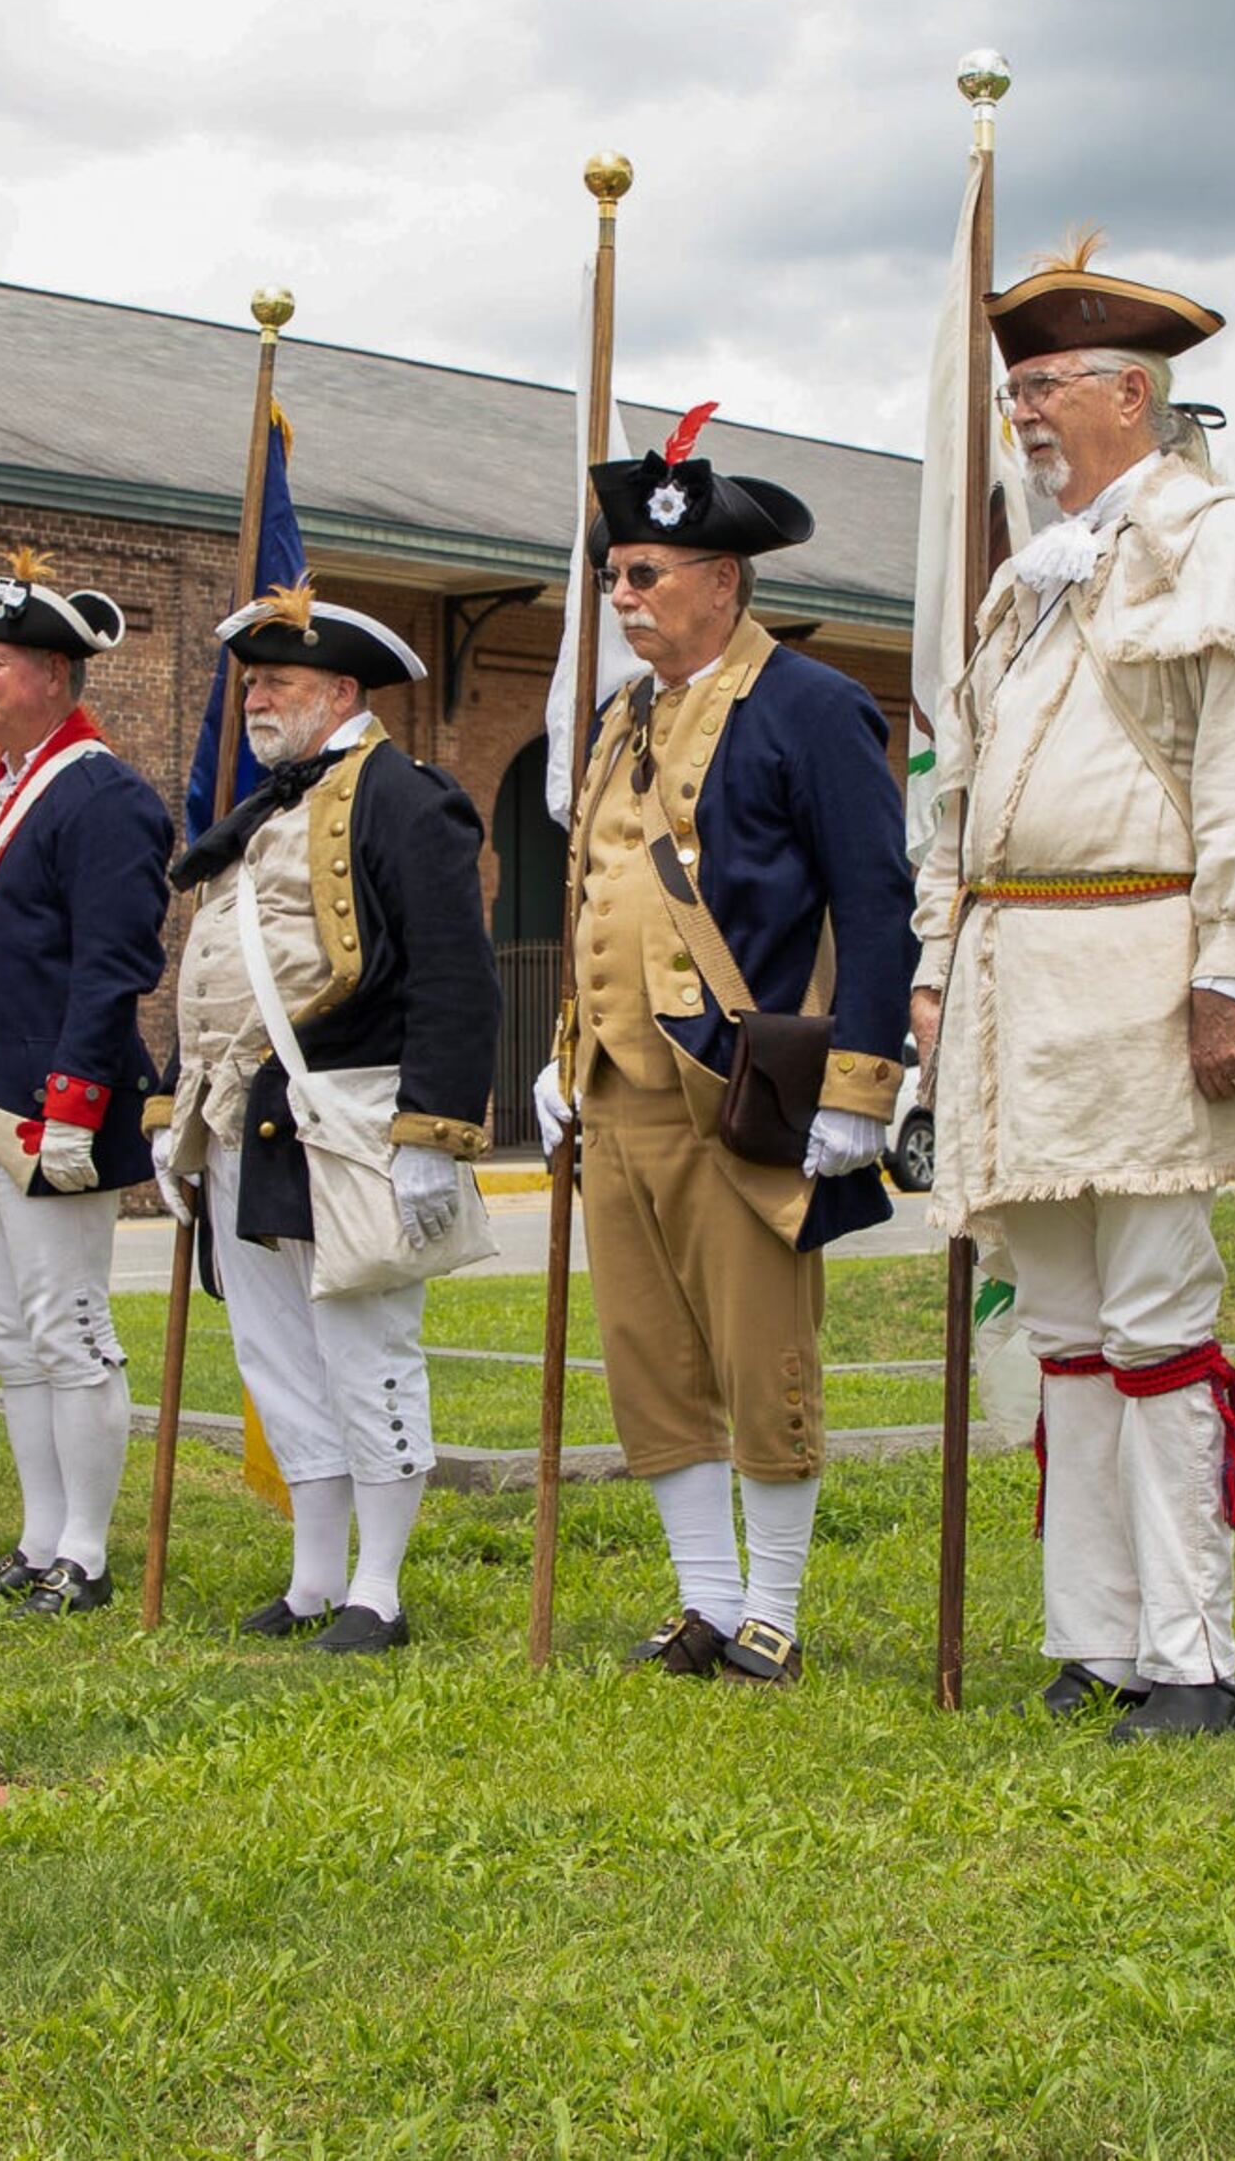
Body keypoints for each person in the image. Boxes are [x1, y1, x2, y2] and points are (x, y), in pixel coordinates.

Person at [912, 242, 1235, 1740]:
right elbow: (963, 791)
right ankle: (1094, 1633)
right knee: (1059, 1319)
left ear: (1132, 389)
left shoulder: (1219, 543)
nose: (1026, 415)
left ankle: (1192, 1653)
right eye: (1016, 389)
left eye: (1047, 386)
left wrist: (1230, 968)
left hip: (1151, 971)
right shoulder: (1033, 581)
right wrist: (935, 963)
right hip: (1014, 985)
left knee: (1159, 1314)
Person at [528, 406, 916, 1686]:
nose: (622, 597)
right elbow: (591, 892)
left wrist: (863, 1085)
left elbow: (875, 902)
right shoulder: (620, 716)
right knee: (651, 1357)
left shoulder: (813, 707)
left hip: (743, 1087)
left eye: (644, 575)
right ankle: (702, 1599)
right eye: (613, 574)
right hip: (618, 1089)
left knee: (761, 1354)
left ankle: (775, 1610)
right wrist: (563, 1051)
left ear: (722, 580)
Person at [154, 589, 499, 1652]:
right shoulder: (261, 811)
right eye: (251, 683)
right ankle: (313, 1580)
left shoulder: (405, 798)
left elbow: (455, 973)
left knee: (366, 1352)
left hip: (347, 1115)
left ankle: (380, 1590)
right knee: (276, 1359)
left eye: (279, 684)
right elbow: (215, 969)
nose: (257, 700)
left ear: (341, 692)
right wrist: (176, 1109)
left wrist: (433, 1131)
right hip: (240, 1118)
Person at [0, 556, 174, 1619]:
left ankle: (89, 1554)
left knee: (69, 1330)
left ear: (55, 674)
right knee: (12, 1335)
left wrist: (74, 1101)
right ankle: (36, 1536)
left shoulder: (103, 794)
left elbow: (113, 963)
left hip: (43, 1109)